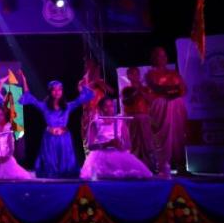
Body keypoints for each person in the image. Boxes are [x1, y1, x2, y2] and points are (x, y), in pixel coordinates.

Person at [18, 70, 95, 178]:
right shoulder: (44, 106)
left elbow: (82, 98)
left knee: (66, 166)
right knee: (50, 166)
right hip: (50, 139)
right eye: (54, 89)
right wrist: (24, 80)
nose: (57, 92)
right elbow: (30, 98)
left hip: (64, 138)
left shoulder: (67, 106)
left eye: (59, 89)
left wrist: (85, 83)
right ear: (50, 92)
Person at [80, 97, 153, 179]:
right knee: (103, 175)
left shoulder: (120, 121)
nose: (109, 109)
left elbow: (128, 144)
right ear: (100, 108)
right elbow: (90, 146)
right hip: (101, 156)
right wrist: (107, 144)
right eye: (106, 106)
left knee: (131, 174)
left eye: (111, 106)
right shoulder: (95, 123)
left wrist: (121, 146)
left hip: (118, 153)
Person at [146, 47, 188, 176]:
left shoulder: (174, 73)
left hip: (176, 106)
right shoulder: (151, 74)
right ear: (154, 58)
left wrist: (173, 90)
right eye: (160, 56)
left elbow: (183, 89)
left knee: (178, 135)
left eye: (164, 55)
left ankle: (181, 167)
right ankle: (163, 167)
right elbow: (157, 88)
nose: (163, 58)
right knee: (163, 136)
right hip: (161, 106)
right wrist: (172, 89)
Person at [121, 66, 156, 170]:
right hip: (131, 118)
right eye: (132, 74)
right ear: (128, 76)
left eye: (137, 74)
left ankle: (149, 165)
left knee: (147, 142)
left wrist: (141, 91)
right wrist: (136, 91)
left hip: (144, 117)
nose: (135, 76)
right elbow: (126, 101)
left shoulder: (145, 88)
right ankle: (135, 165)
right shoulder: (126, 89)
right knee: (134, 142)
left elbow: (151, 101)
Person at [80, 57, 114, 151]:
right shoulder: (82, 83)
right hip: (89, 114)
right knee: (90, 139)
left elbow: (111, 91)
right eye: (87, 66)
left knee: (103, 136)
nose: (89, 68)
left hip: (102, 114)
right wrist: (91, 84)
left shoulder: (100, 82)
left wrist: (99, 83)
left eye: (91, 66)